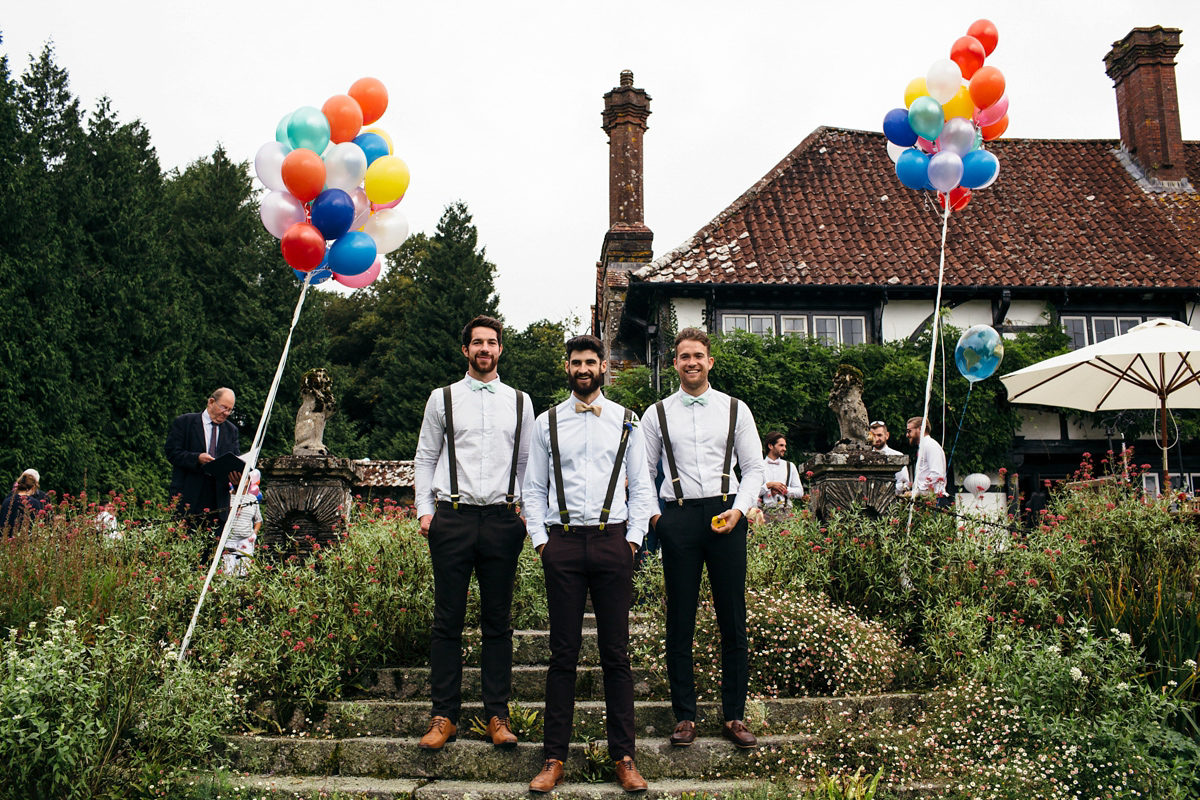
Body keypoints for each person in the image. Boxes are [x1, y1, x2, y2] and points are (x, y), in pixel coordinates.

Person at [523, 334, 654, 793]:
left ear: (603, 367)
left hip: (613, 543)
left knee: (616, 655)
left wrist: (633, 541)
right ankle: (553, 758)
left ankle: (625, 757)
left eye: (590, 362)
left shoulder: (627, 421)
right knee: (563, 655)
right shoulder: (546, 423)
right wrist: (542, 543)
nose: (583, 369)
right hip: (562, 545)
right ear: (567, 368)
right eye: (576, 362)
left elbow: (641, 486)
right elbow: (532, 488)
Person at [413, 315, 534, 751]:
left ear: (500, 350)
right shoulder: (441, 398)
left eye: (492, 342)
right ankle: (444, 715)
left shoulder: (521, 402)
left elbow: (527, 465)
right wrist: (426, 512)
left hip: (502, 521)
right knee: (447, 621)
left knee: (497, 624)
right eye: (477, 343)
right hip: (453, 518)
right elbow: (425, 457)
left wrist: (525, 513)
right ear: (465, 350)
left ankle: (496, 716)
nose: (485, 349)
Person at [640, 327, 765, 750]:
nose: (691, 362)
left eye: (698, 355)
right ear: (674, 363)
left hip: (726, 514)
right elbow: (640, 472)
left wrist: (741, 508)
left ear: (710, 361)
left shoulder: (736, 409)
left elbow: (754, 469)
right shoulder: (656, 413)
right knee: (680, 620)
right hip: (678, 517)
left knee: (733, 618)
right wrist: (657, 520)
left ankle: (734, 715)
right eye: (683, 356)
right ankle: (685, 716)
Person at [164, 388, 242, 531]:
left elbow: (236, 460)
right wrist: (197, 458)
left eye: (230, 410)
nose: (226, 413)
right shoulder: (185, 422)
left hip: (217, 505)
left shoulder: (231, 431)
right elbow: (172, 453)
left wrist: (237, 479)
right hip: (187, 499)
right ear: (211, 402)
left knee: (211, 550)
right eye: (224, 407)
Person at [221, 459, 262, 577]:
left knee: (244, 572)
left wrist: (254, 533)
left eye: (246, 478)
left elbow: (258, 519)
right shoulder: (227, 497)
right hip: (229, 540)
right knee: (227, 572)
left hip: (245, 539)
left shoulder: (252, 499)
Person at [757, 431, 804, 520]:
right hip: (763, 513)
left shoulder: (790, 466)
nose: (784, 449)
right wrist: (769, 485)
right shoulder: (758, 466)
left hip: (785, 512)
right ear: (770, 446)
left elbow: (800, 492)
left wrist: (784, 490)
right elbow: (752, 492)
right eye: (781, 445)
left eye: (785, 446)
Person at [906, 416, 948, 502]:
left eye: (909, 431)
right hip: (927, 498)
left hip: (934, 499)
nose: (907, 435)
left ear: (920, 429)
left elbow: (936, 474)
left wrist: (917, 492)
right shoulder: (924, 446)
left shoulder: (930, 445)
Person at [869, 420, 911, 494]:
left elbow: (904, 484)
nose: (876, 439)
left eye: (879, 435)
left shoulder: (898, 456)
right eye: (873, 435)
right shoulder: (866, 456)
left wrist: (885, 490)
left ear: (887, 435)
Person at [1, 470, 48, 535]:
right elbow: (36, 526)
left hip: (7, 541)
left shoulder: (7, 501)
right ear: (33, 487)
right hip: (26, 541)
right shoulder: (34, 503)